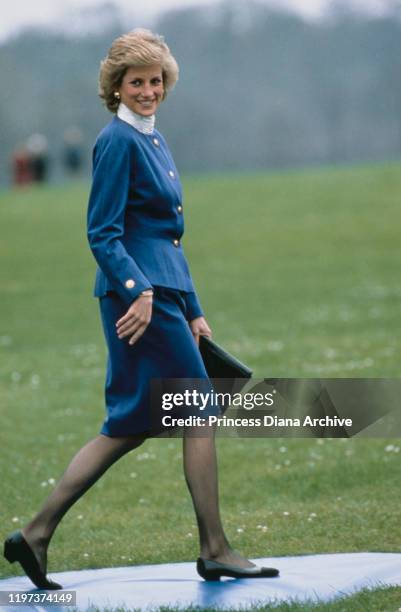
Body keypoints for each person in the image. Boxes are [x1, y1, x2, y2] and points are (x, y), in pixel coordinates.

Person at [3, 29, 278, 589]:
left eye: (156, 81)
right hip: (139, 304)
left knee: (129, 425)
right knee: (198, 410)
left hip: (165, 299)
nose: (149, 91)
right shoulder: (117, 142)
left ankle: (34, 535)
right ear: (116, 87)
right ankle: (215, 548)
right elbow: (102, 234)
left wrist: (193, 309)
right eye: (137, 83)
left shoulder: (153, 138)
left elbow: (167, 236)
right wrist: (140, 291)